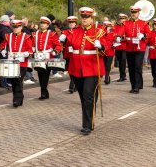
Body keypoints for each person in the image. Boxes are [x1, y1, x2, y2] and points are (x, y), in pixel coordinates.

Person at [60, 7, 109, 135]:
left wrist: (101, 45)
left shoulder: (99, 31)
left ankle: (87, 125)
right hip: (76, 68)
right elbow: (67, 41)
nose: (84, 20)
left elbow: (106, 49)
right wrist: (63, 39)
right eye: (83, 17)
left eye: (87, 17)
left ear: (92, 18)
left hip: (92, 68)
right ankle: (89, 118)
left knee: (88, 96)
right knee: (84, 97)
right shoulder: (75, 31)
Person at [115, 5, 151, 94]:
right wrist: (118, 37)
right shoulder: (126, 23)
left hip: (140, 48)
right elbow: (120, 31)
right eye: (132, 12)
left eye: (135, 12)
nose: (133, 14)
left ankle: (137, 86)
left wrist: (143, 36)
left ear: (139, 13)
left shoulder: (144, 23)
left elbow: (149, 34)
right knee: (131, 67)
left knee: (137, 67)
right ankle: (133, 85)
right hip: (129, 48)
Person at [0, 20, 33, 107]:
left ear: (21, 27)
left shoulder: (27, 37)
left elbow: (30, 51)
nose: (15, 29)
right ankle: (19, 97)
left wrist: (23, 54)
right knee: (13, 82)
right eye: (14, 27)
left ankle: (16, 100)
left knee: (18, 80)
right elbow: (2, 46)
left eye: (17, 27)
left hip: (22, 63)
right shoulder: (8, 36)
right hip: (11, 63)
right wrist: (3, 52)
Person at [32, 17, 62, 99]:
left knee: (45, 75)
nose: (42, 24)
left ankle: (43, 93)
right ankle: (45, 92)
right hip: (38, 57)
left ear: (48, 25)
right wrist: (32, 49)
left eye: (44, 23)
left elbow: (58, 45)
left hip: (47, 57)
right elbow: (32, 44)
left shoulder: (52, 34)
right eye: (41, 23)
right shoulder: (35, 34)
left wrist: (55, 52)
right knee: (40, 75)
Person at [61, 16, 78, 93]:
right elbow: (61, 43)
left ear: (75, 23)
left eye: (72, 22)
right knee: (70, 70)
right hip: (68, 53)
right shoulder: (65, 32)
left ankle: (71, 86)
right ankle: (75, 84)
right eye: (70, 22)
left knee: (75, 69)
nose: (71, 24)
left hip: (75, 53)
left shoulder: (78, 31)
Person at [0, 15, 12, 88]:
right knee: (4, 66)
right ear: (5, 21)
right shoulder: (4, 29)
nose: (10, 22)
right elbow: (8, 39)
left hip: (3, 49)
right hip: (4, 50)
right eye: (9, 20)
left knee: (5, 66)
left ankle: (5, 82)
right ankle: (3, 83)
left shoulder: (3, 28)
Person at [113, 13, 128, 82]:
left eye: (123, 19)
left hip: (125, 47)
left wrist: (121, 38)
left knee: (123, 61)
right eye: (121, 19)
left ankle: (123, 76)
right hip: (118, 47)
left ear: (125, 19)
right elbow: (114, 35)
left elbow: (128, 36)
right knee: (119, 62)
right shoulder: (116, 27)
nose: (122, 20)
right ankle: (122, 75)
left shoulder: (127, 26)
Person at [21, 16, 35, 84]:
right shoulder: (24, 30)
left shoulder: (27, 29)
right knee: (26, 63)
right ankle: (28, 77)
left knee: (29, 63)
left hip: (29, 48)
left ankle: (30, 76)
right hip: (25, 49)